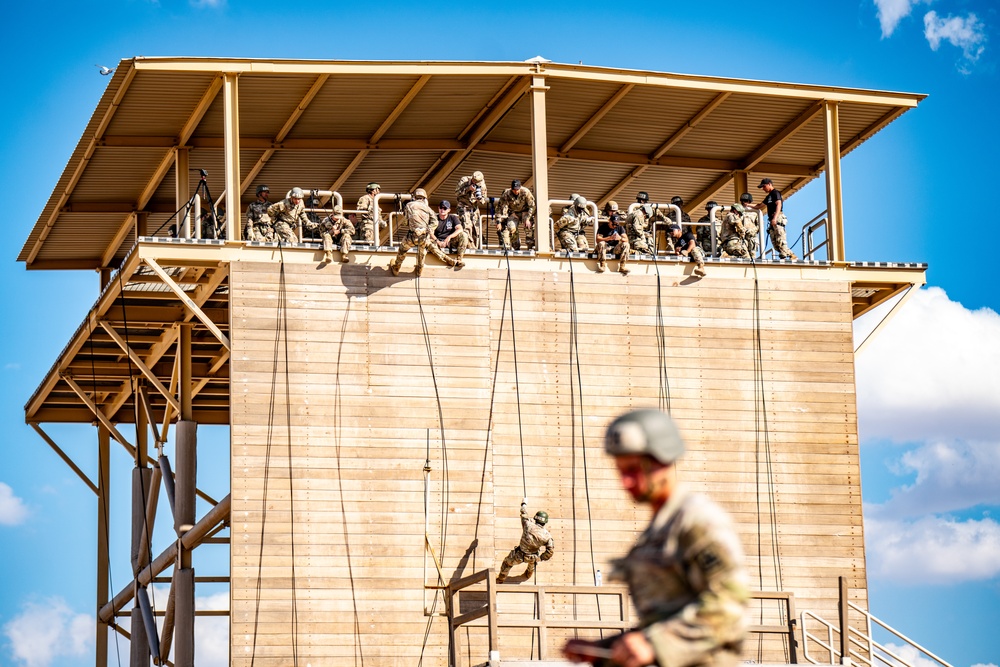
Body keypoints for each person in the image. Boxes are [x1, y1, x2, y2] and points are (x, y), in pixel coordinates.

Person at [563, 409, 748, 667]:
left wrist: (654, 644)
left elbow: (729, 608)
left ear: (664, 460)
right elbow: (664, 621)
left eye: (634, 469)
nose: (625, 481)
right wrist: (603, 650)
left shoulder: (698, 522)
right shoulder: (659, 531)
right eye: (621, 471)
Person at [389, 189, 456, 277]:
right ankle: (419, 270)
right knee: (422, 252)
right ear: (424, 198)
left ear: (414, 197)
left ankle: (396, 267)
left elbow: (405, 222)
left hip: (412, 236)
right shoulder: (428, 209)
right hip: (424, 237)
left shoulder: (409, 205)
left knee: (402, 250)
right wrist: (425, 230)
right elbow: (435, 222)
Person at [496, 499, 554, 584]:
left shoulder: (528, 525)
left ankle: (500, 579)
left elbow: (523, 513)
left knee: (507, 563)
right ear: (545, 522)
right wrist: (540, 558)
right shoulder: (547, 536)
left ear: (536, 518)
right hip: (532, 557)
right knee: (532, 564)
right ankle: (528, 573)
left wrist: (524, 503)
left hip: (519, 555)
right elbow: (550, 551)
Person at [754, 178, 798, 260]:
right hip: (772, 219)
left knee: (780, 238)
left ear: (769, 184)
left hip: (777, 218)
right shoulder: (769, 196)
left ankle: (784, 256)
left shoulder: (775, 193)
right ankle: (791, 255)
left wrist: (775, 218)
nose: (763, 188)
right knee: (775, 243)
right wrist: (747, 206)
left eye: (764, 186)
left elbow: (779, 204)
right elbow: (760, 206)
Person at [496, 179, 536, 250]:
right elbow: (499, 207)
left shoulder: (526, 192)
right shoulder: (506, 193)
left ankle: (531, 247)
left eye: (517, 189)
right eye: (514, 189)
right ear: (511, 188)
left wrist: (528, 218)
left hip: (525, 212)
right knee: (511, 228)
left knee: (529, 227)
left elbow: (532, 206)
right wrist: (498, 222)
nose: (516, 191)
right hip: (514, 213)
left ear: (520, 187)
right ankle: (516, 248)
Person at [429, 200, 468, 269]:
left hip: (450, 242)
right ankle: (447, 259)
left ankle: (459, 259)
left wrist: (449, 237)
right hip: (437, 242)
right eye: (441, 207)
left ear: (449, 210)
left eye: (445, 208)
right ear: (438, 208)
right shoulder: (434, 219)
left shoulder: (452, 218)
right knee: (427, 241)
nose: (442, 210)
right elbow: (430, 232)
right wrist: (438, 242)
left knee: (463, 235)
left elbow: (460, 229)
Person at [455, 171, 488, 248]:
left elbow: (484, 199)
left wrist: (480, 199)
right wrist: (468, 189)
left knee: (476, 229)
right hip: (463, 207)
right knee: (467, 227)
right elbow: (456, 193)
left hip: (474, 208)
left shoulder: (482, 185)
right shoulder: (464, 180)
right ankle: (468, 246)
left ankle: (476, 246)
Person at [595, 206, 631, 275]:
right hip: (605, 247)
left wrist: (620, 238)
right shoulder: (603, 227)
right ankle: (602, 264)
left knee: (626, 244)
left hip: (614, 248)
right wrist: (609, 238)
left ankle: (622, 266)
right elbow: (598, 239)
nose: (615, 226)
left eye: (616, 224)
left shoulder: (620, 228)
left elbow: (626, 239)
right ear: (609, 221)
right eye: (613, 224)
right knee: (602, 243)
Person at [739, 193, 759, 257]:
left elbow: (760, 224)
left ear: (749, 201)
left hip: (752, 236)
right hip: (742, 236)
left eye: (746, 201)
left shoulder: (755, 212)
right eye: (743, 201)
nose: (744, 203)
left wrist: (754, 230)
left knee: (753, 254)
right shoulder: (739, 211)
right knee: (743, 254)